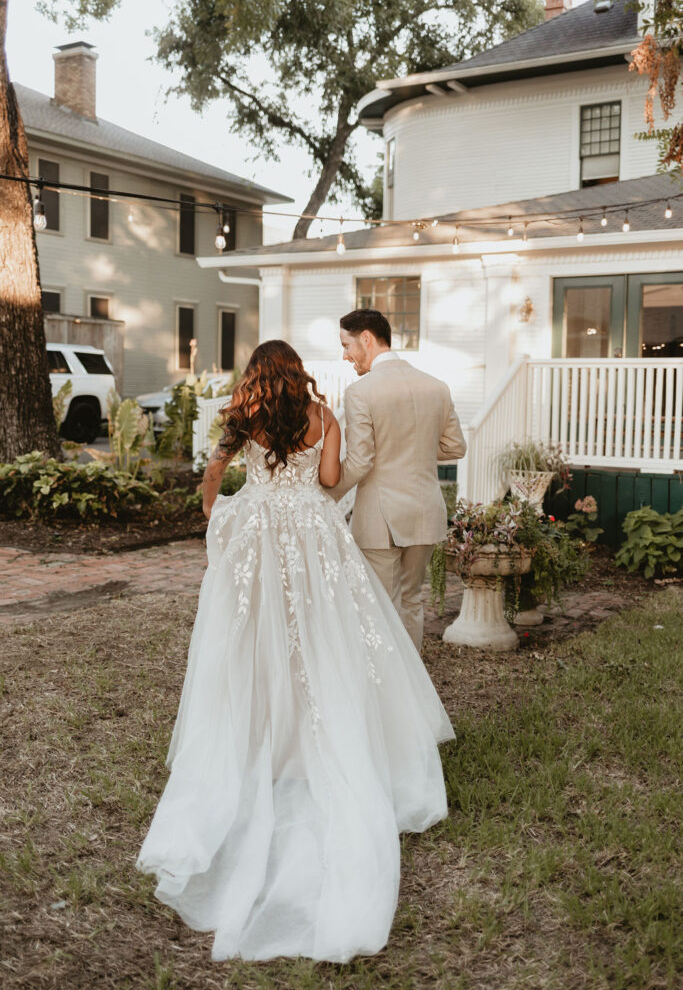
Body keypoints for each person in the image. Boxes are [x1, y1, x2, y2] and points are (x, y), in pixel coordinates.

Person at [137, 340, 454, 964]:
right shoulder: (323, 416)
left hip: (257, 529)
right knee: (326, 634)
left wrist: (213, 514)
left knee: (254, 637)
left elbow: (212, 475)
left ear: (257, 373)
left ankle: (268, 739)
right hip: (312, 533)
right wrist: (311, 467)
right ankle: (318, 741)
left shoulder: (243, 415)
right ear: (298, 374)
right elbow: (332, 481)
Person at [332, 309, 467, 650]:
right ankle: (413, 691)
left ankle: (387, 694)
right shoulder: (437, 386)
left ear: (367, 338)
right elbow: (455, 447)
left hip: (382, 518)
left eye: (346, 345)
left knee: (379, 605)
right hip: (424, 510)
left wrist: (326, 493)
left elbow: (360, 462)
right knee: (411, 602)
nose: (345, 355)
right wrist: (414, 449)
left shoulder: (361, 392)